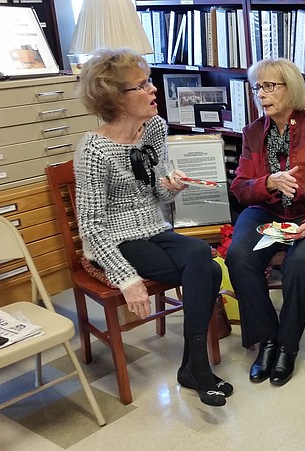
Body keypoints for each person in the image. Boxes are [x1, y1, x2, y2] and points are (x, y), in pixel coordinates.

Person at [74, 48, 230, 407]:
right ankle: (197, 368)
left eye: (149, 82)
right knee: (203, 266)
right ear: (116, 98)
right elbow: (91, 228)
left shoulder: (155, 128)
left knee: (202, 258)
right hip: (115, 239)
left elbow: (156, 192)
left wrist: (170, 186)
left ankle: (194, 366)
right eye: (142, 86)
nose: (153, 89)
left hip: (154, 227)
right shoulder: (94, 151)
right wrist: (126, 278)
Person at [225, 58, 305, 387]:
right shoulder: (253, 133)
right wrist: (267, 183)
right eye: (257, 88)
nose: (261, 94)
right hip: (269, 211)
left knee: (300, 260)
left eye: (269, 86)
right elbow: (239, 188)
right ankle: (267, 340)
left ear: (290, 88)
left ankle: (288, 346)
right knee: (239, 256)